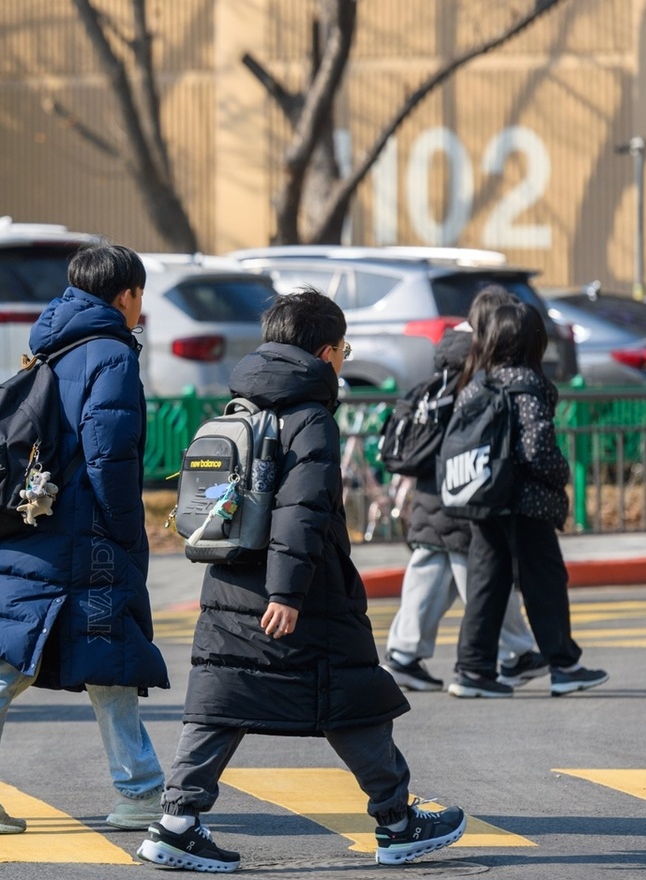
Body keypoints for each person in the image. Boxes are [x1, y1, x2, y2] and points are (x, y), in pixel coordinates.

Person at [138, 291, 465, 873]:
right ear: (324, 352)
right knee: (353, 699)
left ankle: (177, 823)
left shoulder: (241, 404)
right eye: (343, 349)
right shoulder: (310, 416)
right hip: (303, 593)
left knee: (221, 700)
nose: (343, 359)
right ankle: (396, 822)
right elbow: (303, 508)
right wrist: (287, 593)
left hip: (228, 580)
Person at [0, 244, 168, 835]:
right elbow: (110, 458)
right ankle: (131, 792)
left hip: (28, 523)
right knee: (94, 657)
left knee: (16, 654)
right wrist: (126, 532)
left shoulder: (48, 346)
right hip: (83, 536)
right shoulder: (111, 354)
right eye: (140, 296)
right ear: (126, 295)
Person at [383, 289, 545, 693]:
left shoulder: (448, 357)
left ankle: (405, 653)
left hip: (434, 487)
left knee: (435, 567)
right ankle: (517, 651)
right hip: (460, 487)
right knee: (481, 571)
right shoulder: (475, 364)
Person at [448, 301, 609, 698]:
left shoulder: (476, 386)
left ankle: (473, 669)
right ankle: (565, 665)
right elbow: (537, 449)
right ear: (533, 342)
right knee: (546, 582)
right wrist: (561, 474)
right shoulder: (528, 385)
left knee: (487, 583)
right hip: (526, 504)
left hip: (483, 498)